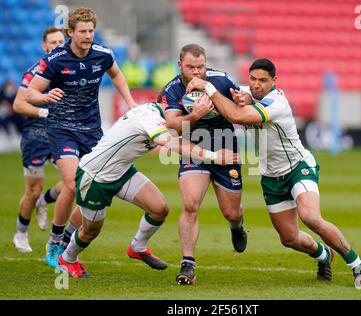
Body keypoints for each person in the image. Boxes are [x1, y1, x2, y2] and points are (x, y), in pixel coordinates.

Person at [187, 58, 361, 289]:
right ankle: (324, 256)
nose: (256, 85)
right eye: (253, 79)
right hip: (271, 176)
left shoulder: (277, 103)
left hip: (298, 167)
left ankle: (357, 264)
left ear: (274, 81)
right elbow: (224, 81)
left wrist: (208, 88)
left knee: (311, 217)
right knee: (289, 238)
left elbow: (238, 116)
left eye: (263, 81)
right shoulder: (247, 91)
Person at [58, 96, 238, 278]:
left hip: (122, 171)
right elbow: (170, 142)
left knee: (159, 209)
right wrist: (213, 156)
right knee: (90, 231)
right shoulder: (150, 116)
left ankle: (137, 247)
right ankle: (68, 259)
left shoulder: (166, 117)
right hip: (96, 176)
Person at [26, 7, 137, 267]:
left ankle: (65, 238)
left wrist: (130, 102)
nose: (88, 36)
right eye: (82, 31)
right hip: (61, 129)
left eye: (91, 31)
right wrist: (45, 97)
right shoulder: (56, 59)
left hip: (92, 131)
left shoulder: (102, 54)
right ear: (70, 33)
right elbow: (30, 93)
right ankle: (54, 242)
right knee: (73, 185)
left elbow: (117, 73)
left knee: (93, 188)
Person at [162, 44, 247, 285]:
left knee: (231, 211)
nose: (197, 72)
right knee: (190, 204)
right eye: (191, 67)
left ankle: (237, 225)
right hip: (194, 150)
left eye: (201, 67)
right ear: (180, 66)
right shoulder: (172, 88)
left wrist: (243, 98)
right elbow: (172, 125)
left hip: (225, 147)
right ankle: (188, 263)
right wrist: (195, 116)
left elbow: (243, 101)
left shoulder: (219, 80)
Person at [11, 26, 65, 253]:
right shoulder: (36, 72)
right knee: (32, 190)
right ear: (45, 47)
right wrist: (45, 112)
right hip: (37, 134)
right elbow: (18, 104)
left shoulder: (69, 69)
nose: (57, 46)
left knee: (78, 180)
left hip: (62, 132)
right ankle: (21, 233)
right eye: (53, 43)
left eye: (61, 42)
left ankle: (45, 201)